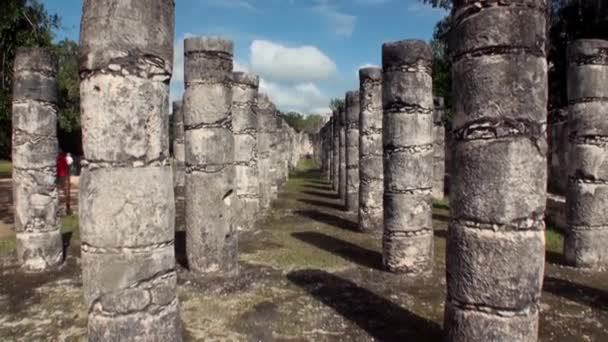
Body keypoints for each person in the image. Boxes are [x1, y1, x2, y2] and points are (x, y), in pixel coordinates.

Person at [57, 150, 72, 214]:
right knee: (63, 190)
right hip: (60, 175)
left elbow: (67, 166)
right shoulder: (61, 158)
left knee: (62, 190)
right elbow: (67, 166)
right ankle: (65, 203)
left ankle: (66, 204)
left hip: (61, 175)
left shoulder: (61, 158)